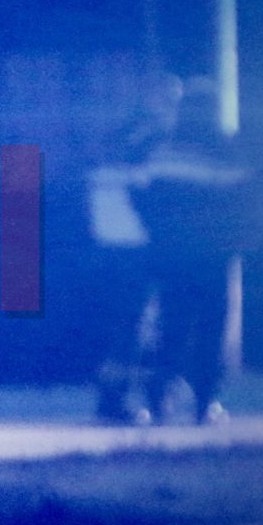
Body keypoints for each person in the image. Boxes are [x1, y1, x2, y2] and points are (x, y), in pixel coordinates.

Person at [127, 79, 260, 426]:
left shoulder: (163, 152)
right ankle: (205, 402)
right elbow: (244, 203)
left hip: (171, 258)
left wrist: (159, 234)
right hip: (214, 258)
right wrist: (252, 240)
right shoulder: (226, 151)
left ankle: (159, 398)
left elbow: (141, 197)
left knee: (171, 326)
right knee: (211, 330)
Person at [87, 73, 181, 424]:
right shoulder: (151, 140)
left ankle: (114, 397)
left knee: (125, 324)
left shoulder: (120, 137)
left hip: (109, 244)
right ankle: (131, 399)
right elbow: (150, 196)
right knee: (139, 324)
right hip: (136, 245)